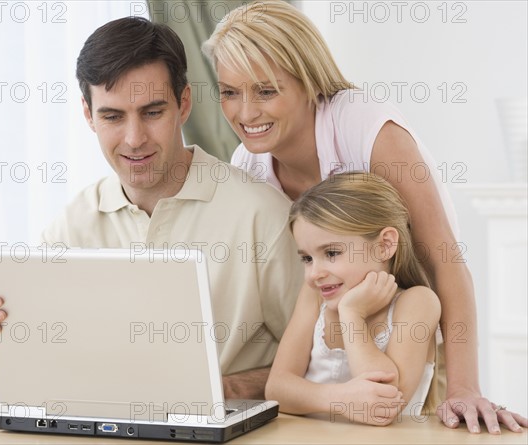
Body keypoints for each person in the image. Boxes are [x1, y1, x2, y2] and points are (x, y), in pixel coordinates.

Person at [202, 0, 527, 433]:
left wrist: (464, 388)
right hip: (327, 344)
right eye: (229, 92)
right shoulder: (249, 165)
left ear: (309, 82)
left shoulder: (364, 128)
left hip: (407, 337)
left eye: (266, 90)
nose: (245, 113)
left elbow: (444, 261)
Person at [0, 16, 303, 400]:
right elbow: (22, 368)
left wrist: (224, 388)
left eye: (152, 112)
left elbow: (322, 360)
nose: (134, 140)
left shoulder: (263, 216)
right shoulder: (72, 226)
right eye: (113, 116)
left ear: (183, 105)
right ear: (88, 115)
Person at [266, 172, 441, 425]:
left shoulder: (417, 303)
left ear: (384, 245)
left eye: (332, 252)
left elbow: (384, 407)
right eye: (307, 259)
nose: (315, 273)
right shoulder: (315, 297)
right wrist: (341, 398)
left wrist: (352, 315)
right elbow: (277, 388)